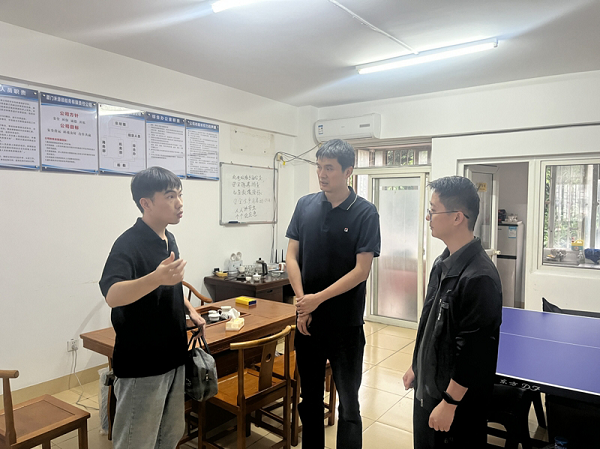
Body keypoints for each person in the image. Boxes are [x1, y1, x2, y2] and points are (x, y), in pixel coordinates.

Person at [99, 166, 205, 449]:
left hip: (173, 355)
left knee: (169, 436)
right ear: (145, 203)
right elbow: (112, 295)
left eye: (180, 195)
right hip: (142, 363)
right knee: (137, 441)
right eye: (170, 196)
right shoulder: (128, 244)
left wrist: (190, 310)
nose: (179, 203)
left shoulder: (169, 238)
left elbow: (170, 285)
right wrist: (155, 278)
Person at [285, 139, 381, 449]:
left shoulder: (365, 212)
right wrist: (303, 303)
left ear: (348, 171)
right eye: (319, 167)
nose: (321, 174)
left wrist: (317, 299)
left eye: (329, 168)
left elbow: (361, 271)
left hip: (345, 326)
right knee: (310, 399)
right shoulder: (305, 205)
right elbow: (291, 256)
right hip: (308, 324)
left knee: (349, 404)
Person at [403, 176, 502, 448]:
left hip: (455, 407)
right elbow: (431, 324)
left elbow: (474, 352)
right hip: (429, 392)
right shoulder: (442, 262)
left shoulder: (479, 278)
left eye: (433, 210)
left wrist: (449, 403)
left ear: (458, 217)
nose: (428, 217)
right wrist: (417, 365)